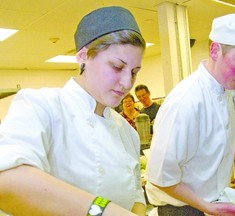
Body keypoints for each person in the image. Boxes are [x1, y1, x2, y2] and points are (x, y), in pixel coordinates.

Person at [0, 6, 147, 216]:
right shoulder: (40, 105)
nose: (126, 83)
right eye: (116, 66)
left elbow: (136, 198)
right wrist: (103, 211)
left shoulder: (127, 132)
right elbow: (7, 183)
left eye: (134, 72)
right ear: (83, 56)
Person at [145, 13, 235, 216]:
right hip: (182, 209)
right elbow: (160, 177)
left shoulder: (231, 90)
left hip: (214, 200)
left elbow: (214, 132)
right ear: (215, 50)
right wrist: (206, 208)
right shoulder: (185, 101)